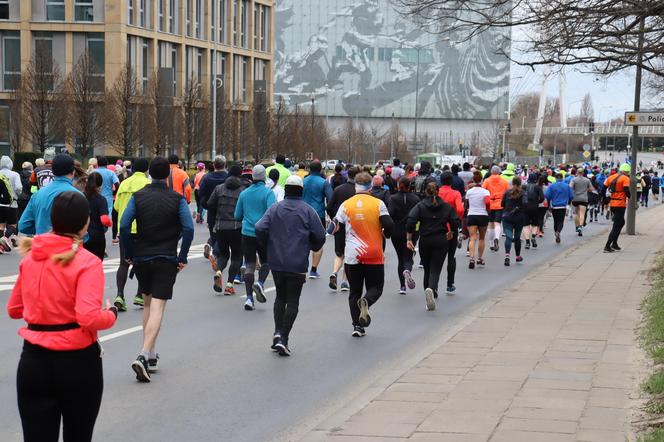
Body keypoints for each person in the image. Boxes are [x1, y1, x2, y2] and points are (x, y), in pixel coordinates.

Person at [7, 191, 117, 442]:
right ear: (85, 222)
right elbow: (88, 317)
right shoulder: (87, 262)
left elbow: (14, 309)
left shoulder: (31, 258)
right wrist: (110, 315)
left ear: (53, 220)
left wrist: (43, 308)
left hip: (33, 361)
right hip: (77, 362)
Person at [120, 157, 194, 382]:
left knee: (148, 305)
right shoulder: (177, 199)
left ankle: (151, 353)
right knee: (158, 308)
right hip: (166, 257)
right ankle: (143, 354)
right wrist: (182, 256)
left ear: (150, 174)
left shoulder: (138, 196)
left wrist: (129, 252)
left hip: (141, 257)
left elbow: (124, 225)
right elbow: (188, 228)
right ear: (168, 176)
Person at [255, 175, 326, 356]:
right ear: (301, 191)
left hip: (276, 261)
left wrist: (267, 244)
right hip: (298, 262)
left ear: (286, 190)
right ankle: (283, 337)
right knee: (293, 300)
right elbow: (320, 235)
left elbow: (259, 227)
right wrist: (312, 245)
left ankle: (278, 332)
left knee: (280, 297)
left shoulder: (275, 209)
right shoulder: (308, 211)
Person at [334, 172, 394, 337]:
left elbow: (334, 226)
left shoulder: (346, 205)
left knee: (354, 291)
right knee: (376, 288)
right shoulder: (378, 203)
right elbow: (389, 223)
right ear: (370, 187)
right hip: (373, 253)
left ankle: (357, 326)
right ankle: (367, 301)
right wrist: (386, 233)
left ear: (355, 186)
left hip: (353, 255)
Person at [407, 182, 458, 311]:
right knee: (436, 269)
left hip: (425, 240)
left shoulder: (420, 206)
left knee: (427, 269)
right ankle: (432, 289)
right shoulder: (446, 206)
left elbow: (411, 220)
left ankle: (428, 292)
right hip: (441, 239)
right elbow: (454, 220)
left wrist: (409, 237)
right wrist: (451, 231)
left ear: (425, 191)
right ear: (438, 191)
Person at [234, 165, 276, 311]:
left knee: (250, 264)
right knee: (266, 261)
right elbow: (273, 214)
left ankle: (249, 298)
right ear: (264, 177)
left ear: (252, 177)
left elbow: (237, 215)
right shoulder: (268, 193)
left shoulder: (244, 194)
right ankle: (260, 283)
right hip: (264, 233)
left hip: (247, 233)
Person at [112, 158, 150, 311]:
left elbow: (116, 207)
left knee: (123, 263)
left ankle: (120, 295)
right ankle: (139, 295)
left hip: (125, 229)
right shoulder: (148, 184)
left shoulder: (124, 183)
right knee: (142, 263)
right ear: (147, 170)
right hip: (143, 229)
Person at [19, 154, 82, 236]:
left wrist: (42, 229)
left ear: (53, 172)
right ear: (73, 172)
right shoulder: (78, 196)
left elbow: (23, 225)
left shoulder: (37, 195)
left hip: (42, 245)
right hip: (68, 247)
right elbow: (83, 231)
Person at [206, 165, 245, 295]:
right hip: (236, 227)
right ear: (240, 175)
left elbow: (210, 205)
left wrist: (217, 215)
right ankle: (229, 285)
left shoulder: (219, 188)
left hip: (220, 226)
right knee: (236, 256)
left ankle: (218, 271)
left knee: (223, 255)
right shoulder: (243, 190)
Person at [326, 166, 359, 292]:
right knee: (349, 254)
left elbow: (329, 206)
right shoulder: (357, 192)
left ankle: (334, 272)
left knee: (339, 253)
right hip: (353, 226)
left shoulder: (339, 189)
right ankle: (345, 281)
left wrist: (334, 218)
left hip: (339, 225)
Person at [388, 177, 420, 294]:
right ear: (410, 185)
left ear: (398, 185)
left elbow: (390, 214)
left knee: (400, 258)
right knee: (408, 256)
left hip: (396, 231)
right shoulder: (416, 199)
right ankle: (407, 270)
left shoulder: (393, 198)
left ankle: (402, 286)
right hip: (411, 231)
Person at [303, 161, 332, 278]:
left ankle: (302, 268)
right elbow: (331, 198)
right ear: (320, 170)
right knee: (318, 243)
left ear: (309, 169)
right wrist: (329, 212)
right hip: (318, 215)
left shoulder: (303, 181)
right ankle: (313, 270)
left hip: (303, 214)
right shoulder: (323, 183)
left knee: (303, 242)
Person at [199, 156, 229, 267]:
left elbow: (201, 193)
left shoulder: (206, 178)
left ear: (214, 165)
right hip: (226, 209)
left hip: (211, 209)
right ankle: (216, 255)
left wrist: (205, 205)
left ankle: (211, 244)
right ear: (225, 164)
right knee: (223, 236)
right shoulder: (228, 177)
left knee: (213, 232)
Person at [437, 171, 464, 293]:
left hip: (437, 227)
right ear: (451, 181)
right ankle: (450, 284)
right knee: (451, 256)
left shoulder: (436, 192)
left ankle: (434, 285)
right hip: (451, 228)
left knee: (436, 258)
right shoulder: (455, 193)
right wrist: (457, 219)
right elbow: (460, 209)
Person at [83, 172, 112, 261]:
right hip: (97, 237)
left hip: (82, 236)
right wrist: (110, 223)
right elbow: (104, 219)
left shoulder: (80, 196)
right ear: (100, 184)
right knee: (97, 264)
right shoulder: (101, 199)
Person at [465, 171, 490, 269]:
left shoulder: (469, 192)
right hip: (483, 215)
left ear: (473, 180)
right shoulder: (485, 191)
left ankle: (472, 258)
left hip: (472, 215)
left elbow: (466, 205)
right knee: (482, 238)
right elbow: (488, 203)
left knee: (472, 238)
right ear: (482, 180)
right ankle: (479, 258)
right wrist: (488, 211)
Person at [604, 163, 631, 253]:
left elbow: (603, 188)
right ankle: (607, 246)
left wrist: (605, 199)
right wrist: (630, 197)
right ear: (627, 172)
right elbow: (626, 190)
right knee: (616, 225)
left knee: (621, 222)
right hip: (620, 204)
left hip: (613, 203)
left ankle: (614, 243)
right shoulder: (625, 178)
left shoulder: (611, 177)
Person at [502, 178, 528, 266]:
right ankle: (517, 256)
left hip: (507, 217)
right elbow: (525, 203)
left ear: (512, 183)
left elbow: (502, 204)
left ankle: (507, 256)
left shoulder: (507, 192)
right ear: (520, 184)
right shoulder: (523, 193)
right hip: (519, 218)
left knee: (508, 237)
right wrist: (520, 208)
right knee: (517, 237)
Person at [482, 165, 509, 252]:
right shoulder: (504, 181)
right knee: (497, 223)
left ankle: (491, 243)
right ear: (499, 172)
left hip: (489, 204)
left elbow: (483, 191)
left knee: (490, 224)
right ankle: (496, 238)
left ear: (491, 172)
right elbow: (508, 192)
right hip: (500, 204)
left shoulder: (487, 180)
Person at [0, 155, 22, 253]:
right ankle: (5, 238)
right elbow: (18, 188)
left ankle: (0, 247)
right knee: (13, 225)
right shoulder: (15, 174)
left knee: (1, 225)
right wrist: (17, 195)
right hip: (12, 203)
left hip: (0, 204)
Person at [545, 173, 574, 244]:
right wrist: (568, 202)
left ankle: (556, 232)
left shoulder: (551, 186)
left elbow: (547, 196)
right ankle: (558, 231)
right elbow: (571, 196)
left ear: (555, 178)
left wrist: (549, 203)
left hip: (554, 206)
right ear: (562, 178)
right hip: (563, 206)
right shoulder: (567, 186)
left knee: (555, 221)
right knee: (561, 221)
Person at [570, 168, 594, 236]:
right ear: (583, 173)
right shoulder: (587, 180)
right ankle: (580, 227)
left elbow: (570, 187)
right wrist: (586, 190)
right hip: (584, 198)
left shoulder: (574, 179)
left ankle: (577, 227)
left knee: (575, 213)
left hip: (575, 198)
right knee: (582, 214)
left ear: (577, 173)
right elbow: (591, 189)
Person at [523, 173, 544, 248]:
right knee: (535, 224)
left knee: (525, 225)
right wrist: (537, 202)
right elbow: (542, 197)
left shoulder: (524, 187)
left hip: (525, 207)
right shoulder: (538, 187)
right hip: (535, 207)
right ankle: (533, 237)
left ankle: (527, 242)